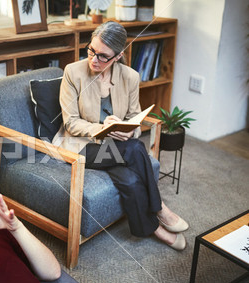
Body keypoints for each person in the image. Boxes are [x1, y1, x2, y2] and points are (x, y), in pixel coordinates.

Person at [52, 21, 189, 250]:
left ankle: (152, 228)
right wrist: (102, 127)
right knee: (135, 149)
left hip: (116, 147)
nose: (94, 59)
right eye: (91, 50)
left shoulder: (130, 77)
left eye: (103, 56)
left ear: (118, 56)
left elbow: (135, 118)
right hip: (81, 146)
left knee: (131, 179)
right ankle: (159, 208)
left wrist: (130, 130)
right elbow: (71, 123)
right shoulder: (72, 73)